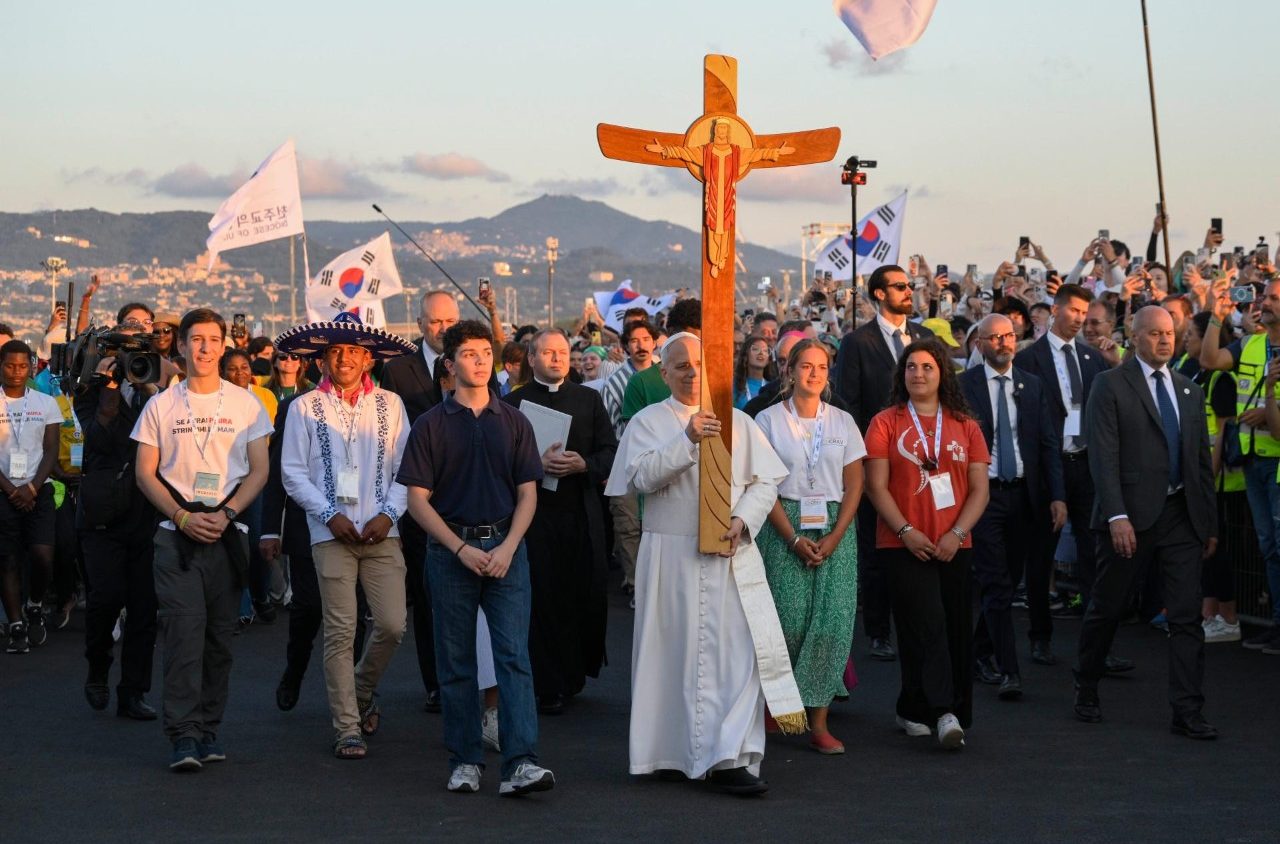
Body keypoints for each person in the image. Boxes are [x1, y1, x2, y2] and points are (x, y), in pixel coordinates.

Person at [605, 332, 802, 796]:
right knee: (670, 655)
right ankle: (670, 752)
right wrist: (687, 439)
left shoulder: (737, 421)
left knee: (737, 657)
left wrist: (743, 518)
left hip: (731, 554)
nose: (692, 373)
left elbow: (765, 483)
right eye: (681, 366)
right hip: (669, 556)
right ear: (664, 373)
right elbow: (642, 478)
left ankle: (729, 757)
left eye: (699, 364)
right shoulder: (648, 422)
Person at [398, 319, 555, 797]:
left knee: (514, 659)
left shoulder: (515, 421)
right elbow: (416, 500)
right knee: (456, 663)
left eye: (486, 352)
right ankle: (465, 760)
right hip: (451, 554)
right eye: (469, 354)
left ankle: (521, 763)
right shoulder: (430, 425)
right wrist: (460, 548)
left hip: (508, 549)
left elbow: (528, 494)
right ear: (450, 364)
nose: (481, 361)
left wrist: (507, 547)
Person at [131, 308, 272, 771]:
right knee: (183, 635)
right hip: (176, 536)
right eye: (196, 339)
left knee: (219, 640)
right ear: (182, 345)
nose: (205, 348)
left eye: (213, 339)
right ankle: (184, 735)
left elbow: (260, 469)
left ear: (223, 345)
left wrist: (228, 514)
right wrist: (180, 516)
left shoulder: (246, 404)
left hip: (228, 534)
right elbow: (145, 473)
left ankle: (209, 729)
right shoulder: (161, 405)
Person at [1073, 307, 1218, 739]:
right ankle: (1087, 684)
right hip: (1129, 516)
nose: (1164, 340)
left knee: (1186, 616)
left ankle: (1187, 710)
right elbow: (1103, 456)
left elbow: (1200, 463)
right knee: (1108, 606)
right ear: (1133, 337)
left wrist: (1208, 524)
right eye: (1154, 333)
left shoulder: (1189, 390)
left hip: (1182, 517)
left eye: (1169, 333)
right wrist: (1116, 515)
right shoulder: (1110, 384)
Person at [277, 314, 415, 759]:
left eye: (354, 350)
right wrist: (328, 515)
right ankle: (347, 727)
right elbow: (292, 473)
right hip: (330, 534)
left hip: (381, 532)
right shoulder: (303, 407)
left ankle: (360, 689)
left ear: (369, 359)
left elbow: (407, 469)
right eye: (335, 351)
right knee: (340, 631)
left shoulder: (391, 404)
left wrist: (389, 515)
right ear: (322, 359)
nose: (345, 358)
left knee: (392, 625)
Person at [864, 338, 989, 749]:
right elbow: (875, 486)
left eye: (927, 367)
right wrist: (905, 531)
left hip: (955, 543)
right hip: (902, 543)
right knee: (927, 622)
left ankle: (913, 707)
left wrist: (957, 534)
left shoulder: (966, 425)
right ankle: (944, 712)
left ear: (942, 374)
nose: (918, 374)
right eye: (911, 367)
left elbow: (979, 490)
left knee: (954, 627)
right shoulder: (885, 422)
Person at [754, 339, 865, 754]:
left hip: (835, 526)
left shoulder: (842, 421)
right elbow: (762, 484)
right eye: (806, 366)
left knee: (831, 626)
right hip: (784, 522)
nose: (814, 374)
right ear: (789, 370)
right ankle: (779, 704)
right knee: (786, 621)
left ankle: (818, 722)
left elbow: (855, 483)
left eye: (822, 367)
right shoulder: (767, 420)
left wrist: (835, 535)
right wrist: (793, 537)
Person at [502, 328, 617, 713]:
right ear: (531, 358)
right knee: (542, 596)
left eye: (562, 352)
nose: (556, 358)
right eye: (548, 352)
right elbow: (500, 459)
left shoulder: (589, 400)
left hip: (581, 514)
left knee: (580, 592)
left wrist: (584, 464)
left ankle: (573, 674)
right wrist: (535, 465)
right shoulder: (513, 404)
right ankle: (546, 683)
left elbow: (610, 452)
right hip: (534, 519)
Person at [1014, 283, 1120, 669]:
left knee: (1095, 555)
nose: (1079, 319)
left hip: (1086, 465)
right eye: (1073, 311)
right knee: (1041, 556)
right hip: (1048, 468)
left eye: (1084, 313)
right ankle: (1040, 636)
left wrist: (1115, 364)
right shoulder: (1029, 359)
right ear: (1055, 310)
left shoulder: (1093, 359)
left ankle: (1097, 648)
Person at [960, 315, 1066, 700]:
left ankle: (977, 653)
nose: (1005, 343)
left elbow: (1048, 443)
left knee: (1009, 578)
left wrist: (1058, 496)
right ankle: (1009, 670)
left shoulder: (1032, 385)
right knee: (996, 582)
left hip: (1024, 495)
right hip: (983, 496)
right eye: (995, 338)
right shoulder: (963, 386)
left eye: (1009, 336)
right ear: (980, 345)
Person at [833, 265, 934, 662]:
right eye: (900, 286)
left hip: (923, 459)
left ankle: (919, 621)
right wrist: (861, 460)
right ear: (879, 293)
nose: (909, 291)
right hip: (876, 459)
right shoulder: (857, 342)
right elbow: (849, 404)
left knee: (921, 534)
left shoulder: (924, 337)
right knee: (877, 546)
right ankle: (878, 630)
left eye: (911, 285)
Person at [379, 289, 459, 713]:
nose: (443, 329)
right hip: (417, 497)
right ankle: (436, 684)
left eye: (450, 321)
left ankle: (468, 678)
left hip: (464, 495)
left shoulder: (470, 361)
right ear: (420, 323)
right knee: (427, 596)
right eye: (436, 321)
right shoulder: (397, 369)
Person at [76, 320, 161, 717]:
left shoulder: (156, 393)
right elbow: (97, 440)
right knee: (105, 599)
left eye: (138, 349)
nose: (131, 359)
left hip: (146, 513)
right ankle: (97, 669)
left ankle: (133, 692)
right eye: (124, 349)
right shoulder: (89, 390)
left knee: (144, 609)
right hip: (102, 516)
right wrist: (109, 388)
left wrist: (150, 390)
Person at [1198, 277, 1280, 652]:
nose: (1264, 302)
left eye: (1274, 298)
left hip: (1276, 461)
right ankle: (1277, 623)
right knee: (1269, 547)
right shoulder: (1252, 343)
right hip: (1252, 461)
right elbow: (1208, 360)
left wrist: (1269, 410)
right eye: (1264, 297)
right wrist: (1216, 315)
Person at [1182, 312, 1243, 643]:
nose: (1185, 339)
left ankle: (1229, 618)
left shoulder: (1221, 379)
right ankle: (1210, 614)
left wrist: (1209, 476)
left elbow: (1222, 433)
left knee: (1219, 551)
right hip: (1202, 478)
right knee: (1206, 549)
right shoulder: (1197, 373)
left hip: (1221, 483)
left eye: (1191, 334)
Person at [0, 340, 63, 654]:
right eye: (10, 365)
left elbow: (51, 449)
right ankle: (15, 624)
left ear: (31, 367)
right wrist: (11, 490)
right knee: (7, 559)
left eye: (23, 366)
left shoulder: (45, 402)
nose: (16, 372)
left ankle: (35, 603)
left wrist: (33, 488)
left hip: (40, 488)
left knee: (42, 555)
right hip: (3, 491)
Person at [597, 320, 658, 598]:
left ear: (654, 342)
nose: (641, 345)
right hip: (625, 462)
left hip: (660, 461)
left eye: (646, 339)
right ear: (625, 346)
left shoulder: (666, 373)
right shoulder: (614, 382)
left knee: (655, 526)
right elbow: (608, 428)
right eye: (634, 340)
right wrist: (610, 468)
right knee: (629, 526)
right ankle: (636, 585)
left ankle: (655, 586)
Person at [733, 335, 776, 409]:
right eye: (755, 349)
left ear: (768, 360)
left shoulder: (773, 388)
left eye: (765, 350)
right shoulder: (733, 386)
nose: (761, 353)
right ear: (745, 356)